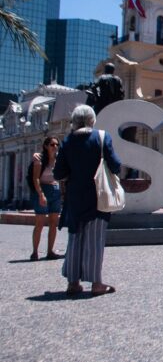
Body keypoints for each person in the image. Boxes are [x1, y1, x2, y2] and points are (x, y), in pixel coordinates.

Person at [53, 105, 121, 297]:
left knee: (75, 238)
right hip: (98, 196)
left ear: (74, 121)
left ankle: (73, 283)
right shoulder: (102, 137)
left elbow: (58, 173)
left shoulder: (67, 141)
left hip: (75, 198)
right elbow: (115, 165)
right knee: (95, 240)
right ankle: (96, 284)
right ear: (92, 120)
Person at [30, 136, 63, 261]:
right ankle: (35, 252)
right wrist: (41, 194)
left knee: (53, 223)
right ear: (46, 146)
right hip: (43, 190)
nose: (55, 147)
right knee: (40, 223)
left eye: (57, 144)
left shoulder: (59, 159)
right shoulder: (40, 159)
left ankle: (50, 251)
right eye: (52, 144)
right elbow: (36, 179)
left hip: (55, 190)